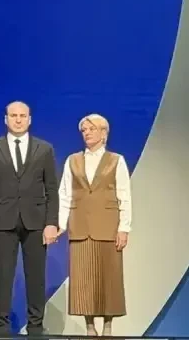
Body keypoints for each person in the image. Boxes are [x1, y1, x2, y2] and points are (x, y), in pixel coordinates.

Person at [0, 101, 59, 335]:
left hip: (36, 223)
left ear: (29, 119)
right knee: (3, 278)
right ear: (6, 119)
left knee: (36, 278)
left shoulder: (44, 149)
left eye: (23, 115)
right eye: (13, 115)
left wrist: (51, 223)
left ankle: (35, 327)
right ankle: (1, 328)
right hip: (2, 223)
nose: (18, 119)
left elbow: (51, 189)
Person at [59, 114, 131, 336]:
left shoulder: (116, 160)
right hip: (80, 227)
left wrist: (124, 228)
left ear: (103, 133)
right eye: (84, 130)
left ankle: (108, 327)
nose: (87, 133)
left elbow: (124, 195)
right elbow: (65, 194)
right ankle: (89, 327)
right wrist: (60, 224)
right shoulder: (72, 160)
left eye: (91, 129)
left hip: (108, 227)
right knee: (84, 279)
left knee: (109, 278)